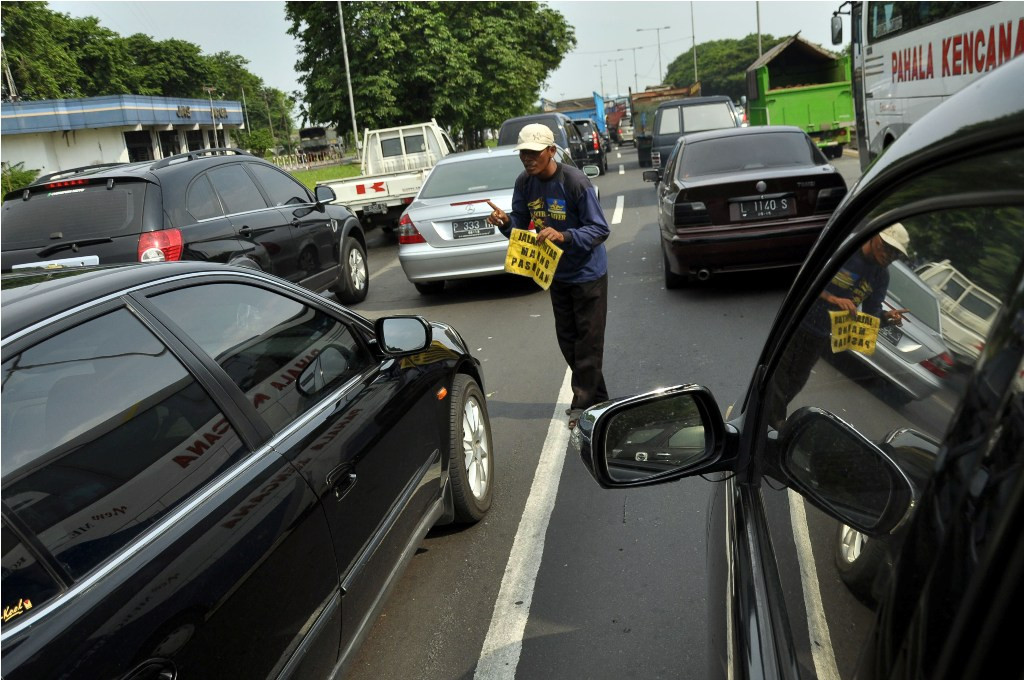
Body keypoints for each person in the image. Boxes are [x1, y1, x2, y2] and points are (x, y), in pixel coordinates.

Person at [485, 123, 611, 428]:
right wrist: (505, 222)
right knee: (568, 340)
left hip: (588, 273)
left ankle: (582, 404)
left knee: (588, 341)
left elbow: (600, 229)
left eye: (534, 153)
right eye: (523, 154)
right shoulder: (524, 182)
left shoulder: (575, 181)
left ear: (551, 151)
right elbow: (520, 222)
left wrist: (564, 236)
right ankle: (602, 400)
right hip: (556, 274)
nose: (528, 159)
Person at [765, 223, 912, 428]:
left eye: (896, 254)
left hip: (820, 333)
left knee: (796, 380)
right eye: (887, 247)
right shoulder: (844, 250)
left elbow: (871, 315)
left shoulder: (880, 276)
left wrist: (888, 318)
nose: (889, 256)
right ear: (875, 238)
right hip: (797, 320)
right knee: (779, 376)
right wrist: (833, 299)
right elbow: (805, 279)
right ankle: (774, 423)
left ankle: (768, 418)